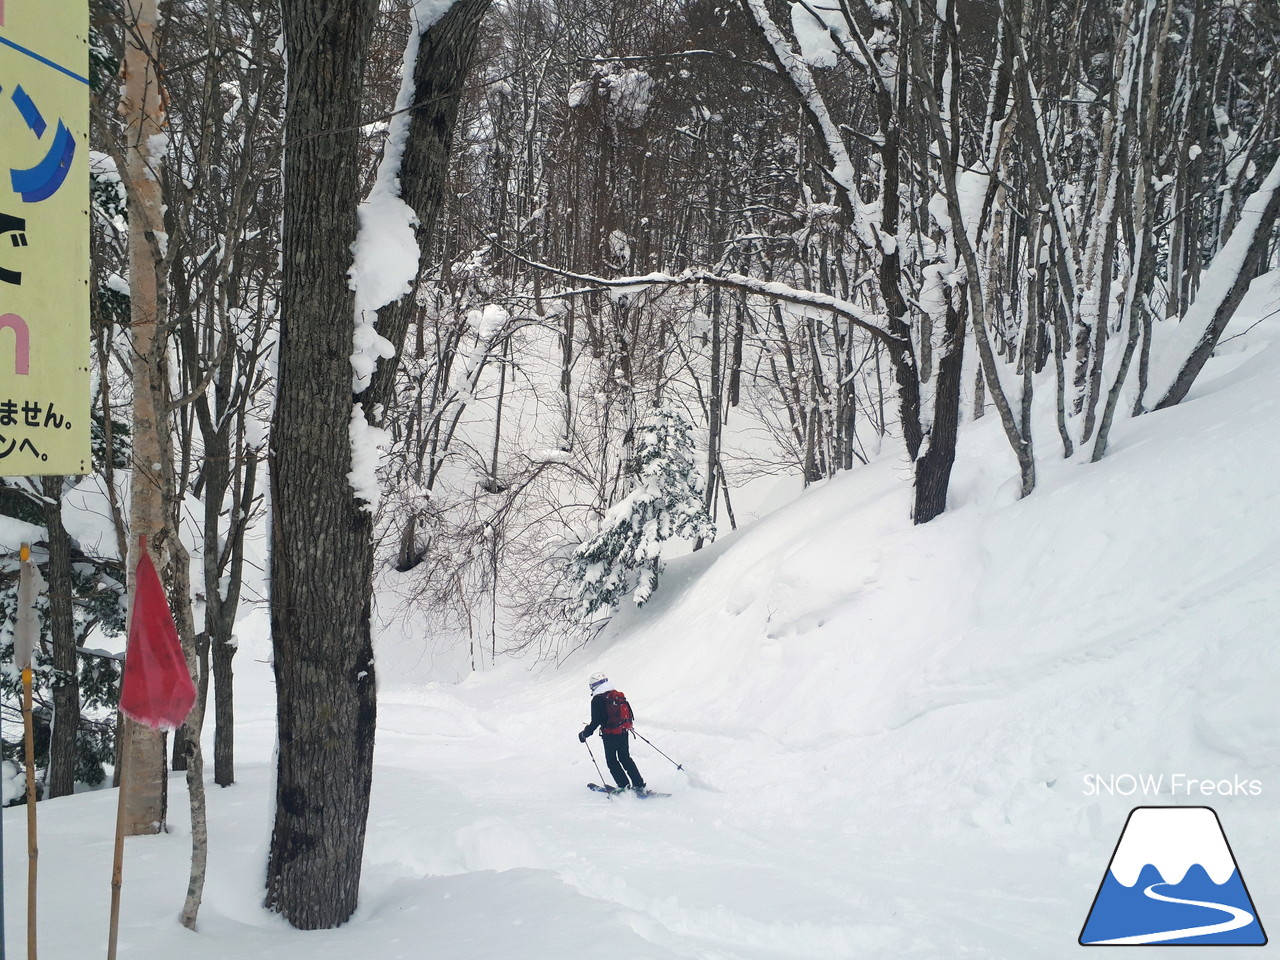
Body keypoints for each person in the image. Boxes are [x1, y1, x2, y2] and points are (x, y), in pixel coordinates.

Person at [579, 673, 647, 794]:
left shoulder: (597, 699)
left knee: (612, 761)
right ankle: (639, 784)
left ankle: (623, 786)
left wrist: (585, 733)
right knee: (625, 758)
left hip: (610, 734)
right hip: (623, 731)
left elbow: (596, 721)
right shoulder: (616, 694)